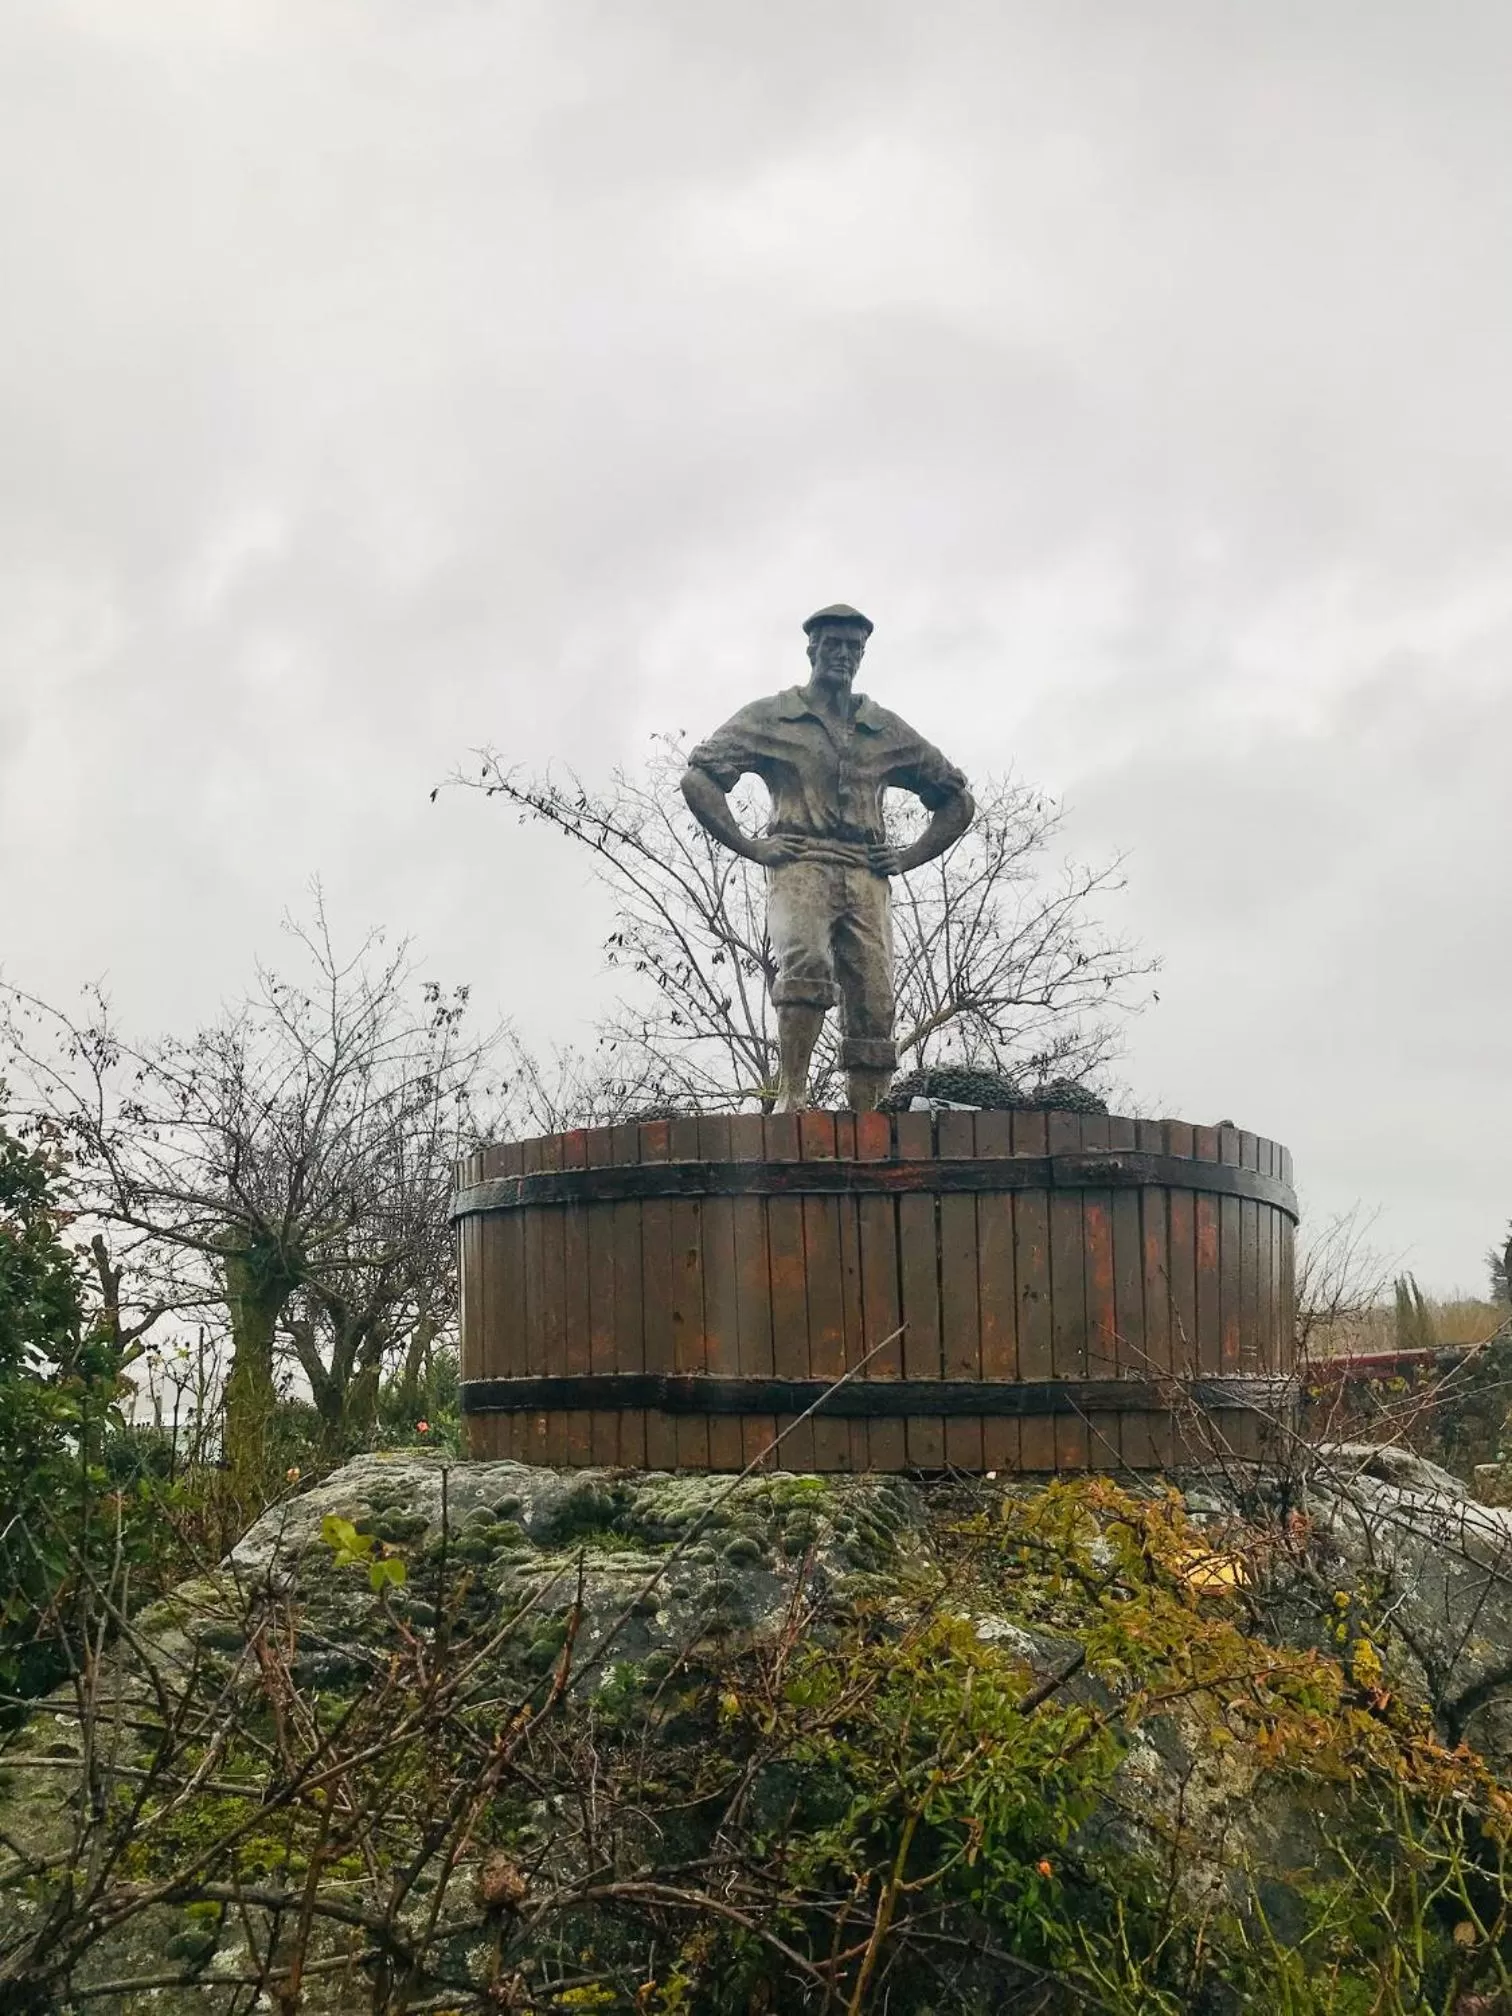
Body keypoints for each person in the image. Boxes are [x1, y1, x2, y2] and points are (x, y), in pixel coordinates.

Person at [681, 603, 974, 1112]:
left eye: (853, 647)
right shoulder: (774, 716)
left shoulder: (883, 728)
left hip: (866, 872)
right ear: (812, 649)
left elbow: (956, 800)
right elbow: (700, 778)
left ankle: (871, 1115)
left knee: (874, 994)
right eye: (833, 645)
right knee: (806, 964)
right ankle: (792, 1095)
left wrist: (907, 857)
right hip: (801, 862)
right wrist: (751, 846)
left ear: (863, 654)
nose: (843, 655)